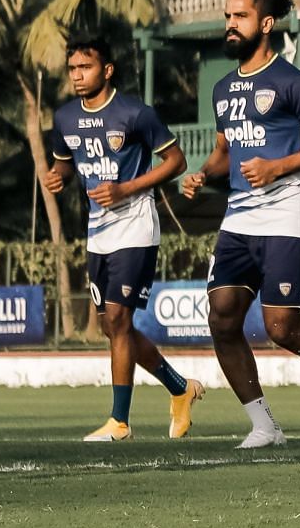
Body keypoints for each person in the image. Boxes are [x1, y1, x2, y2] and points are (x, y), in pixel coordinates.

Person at [179, 0, 300, 448]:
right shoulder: (223, 89)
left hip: (288, 207)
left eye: (240, 16)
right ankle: (264, 426)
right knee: (222, 318)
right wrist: (203, 174)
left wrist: (277, 166)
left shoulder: (291, 81)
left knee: (281, 327)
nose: (230, 23)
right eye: (227, 15)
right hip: (240, 215)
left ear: (266, 24)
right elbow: (227, 150)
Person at [44, 37, 200, 442]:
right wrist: (57, 177)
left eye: (86, 67)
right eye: (73, 68)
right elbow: (62, 164)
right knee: (114, 329)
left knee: (118, 319)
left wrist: (126, 189)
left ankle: (119, 422)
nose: (78, 75)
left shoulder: (135, 113)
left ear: (107, 70)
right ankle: (180, 388)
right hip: (97, 232)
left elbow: (176, 162)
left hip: (136, 225)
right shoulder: (64, 118)